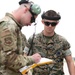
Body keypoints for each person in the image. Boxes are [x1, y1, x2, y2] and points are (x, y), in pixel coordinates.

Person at [24, 10, 75, 75]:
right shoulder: (33, 39)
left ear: (57, 23)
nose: (50, 26)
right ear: (42, 22)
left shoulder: (62, 41)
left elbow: (70, 61)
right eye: (47, 23)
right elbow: (25, 58)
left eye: (53, 24)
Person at [0, 0, 42, 75]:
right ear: (25, 10)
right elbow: (9, 59)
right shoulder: (8, 26)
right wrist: (32, 59)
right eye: (32, 19)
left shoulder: (16, 29)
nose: (30, 24)